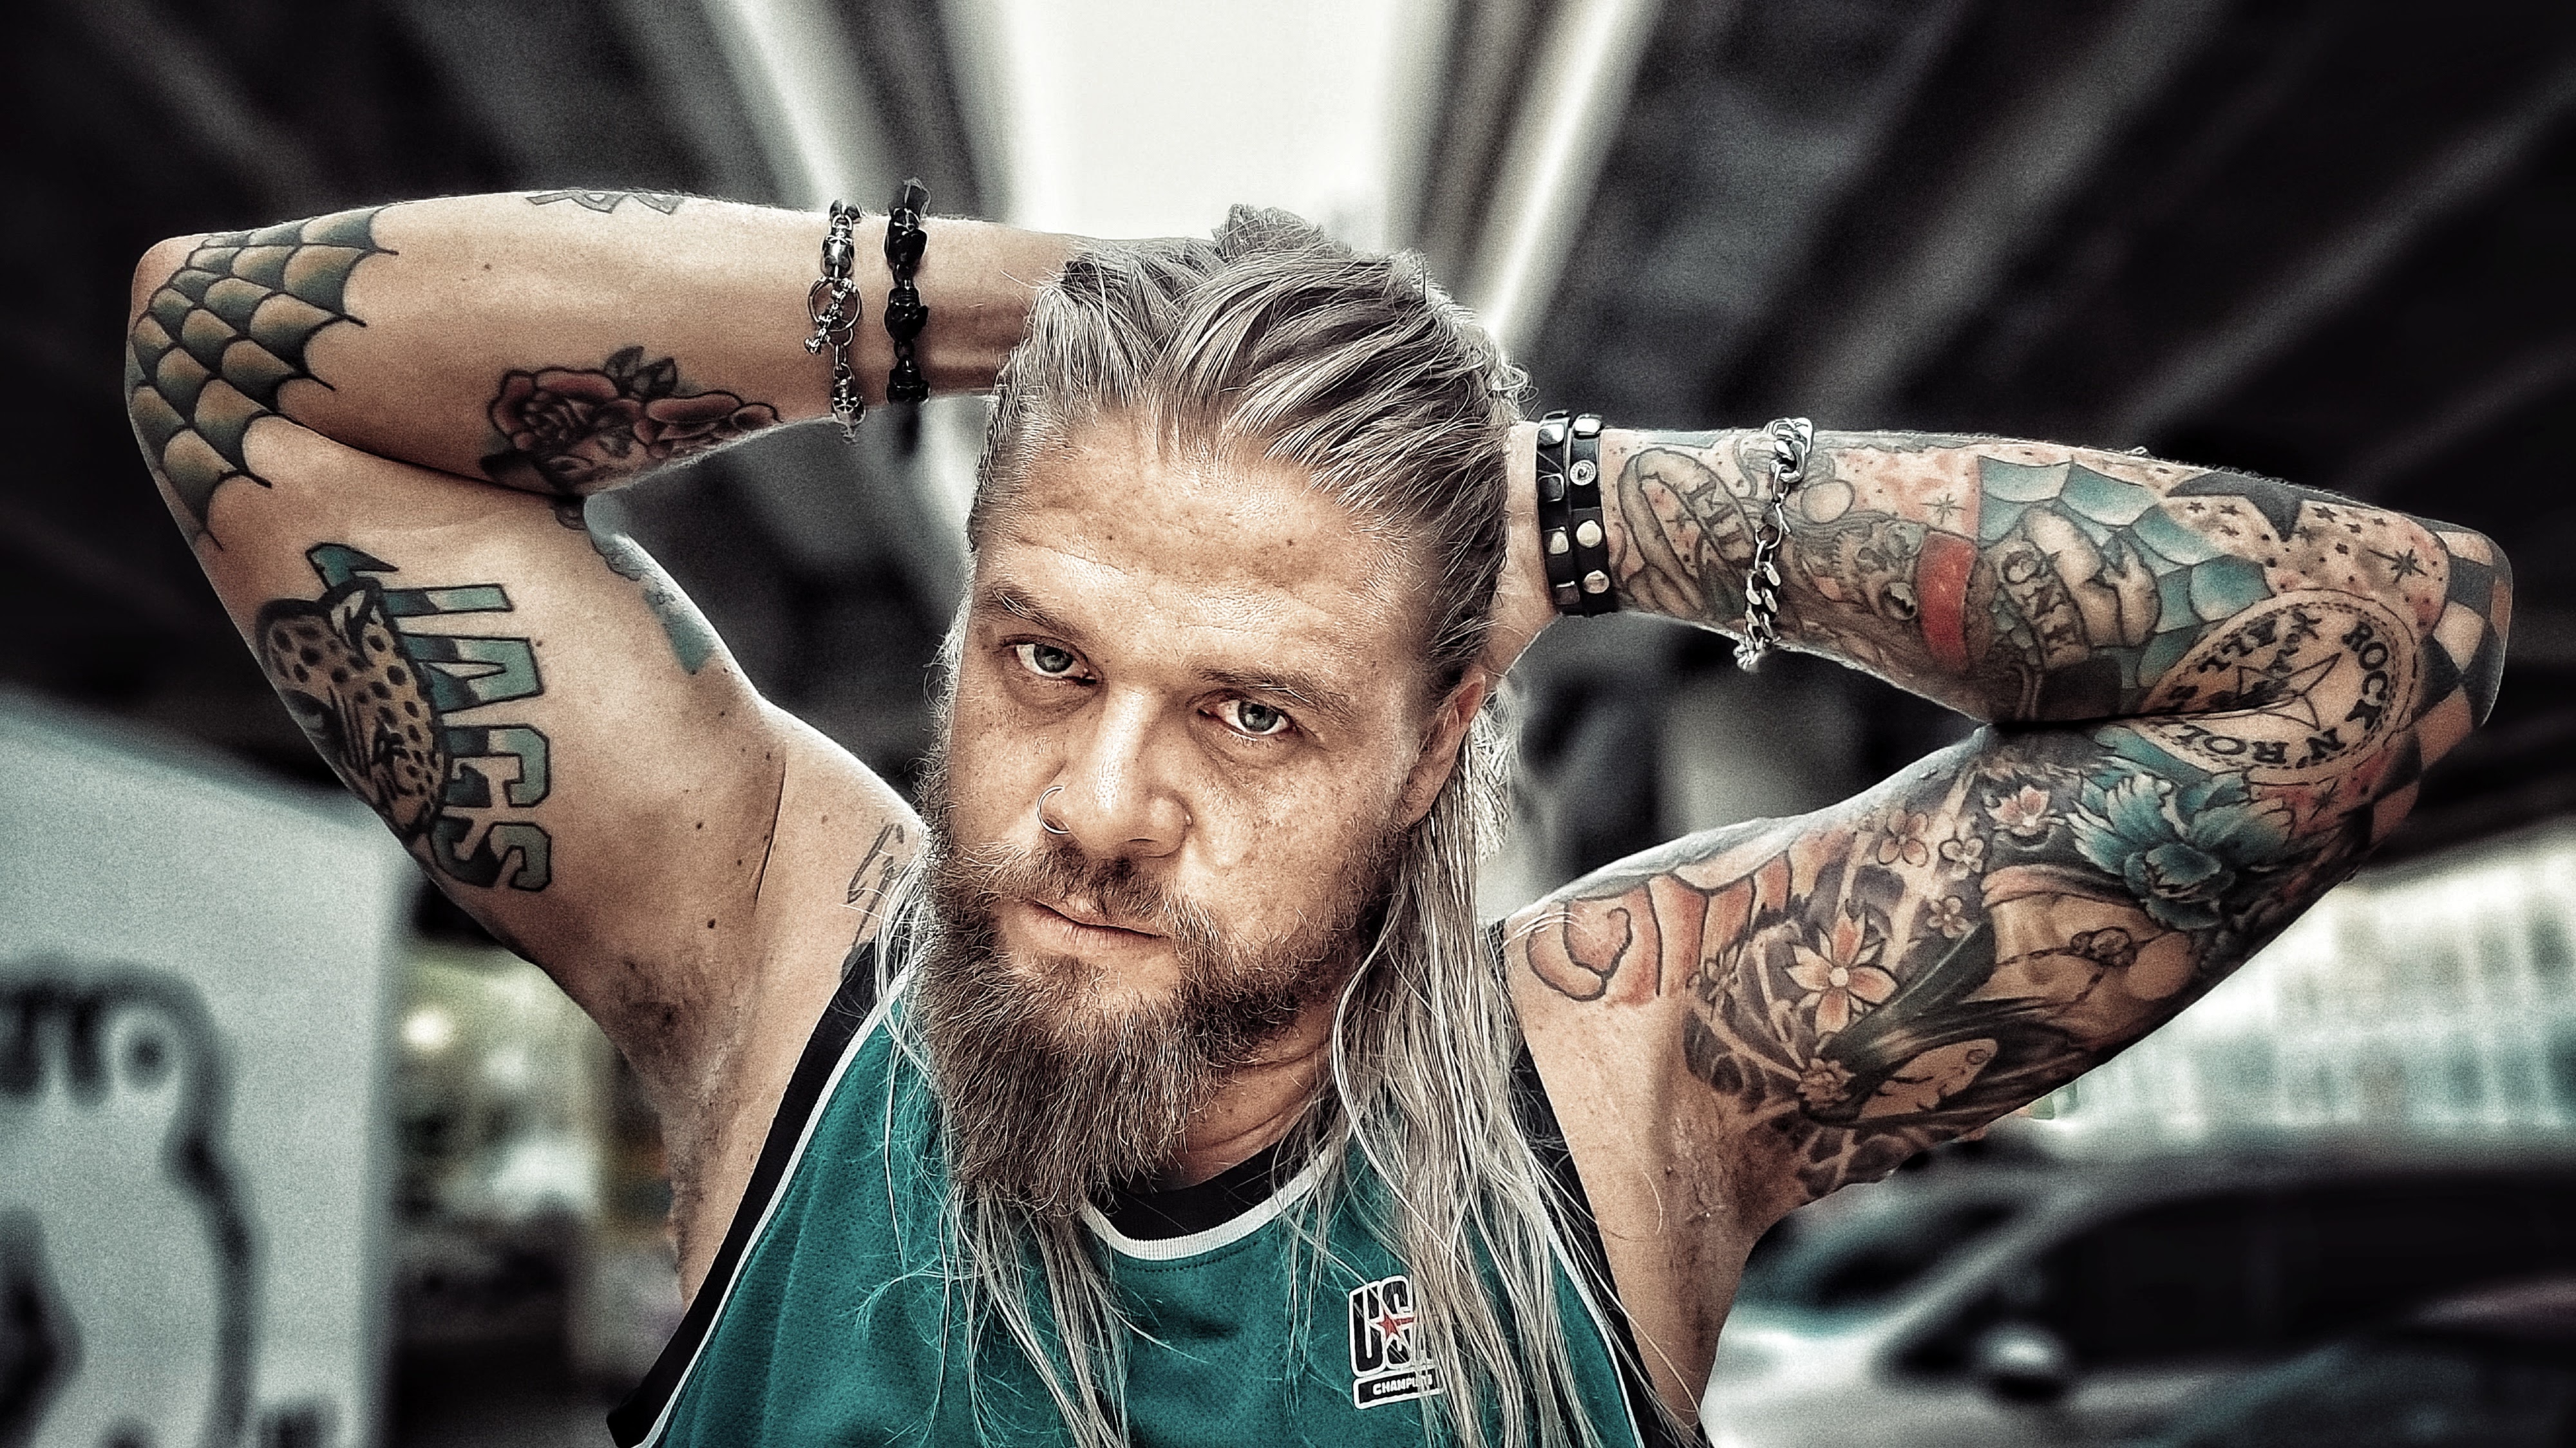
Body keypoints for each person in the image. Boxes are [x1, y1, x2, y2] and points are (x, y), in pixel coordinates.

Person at [124, 191, 2509, 1447]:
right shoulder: (784, 967)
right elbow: (230, 359)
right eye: (1043, 659)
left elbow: (2374, 647)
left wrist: (1574, 504)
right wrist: (1041, 300)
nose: (1102, 806)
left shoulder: (1622, 1095)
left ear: (1441, 735)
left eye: (1254, 715)